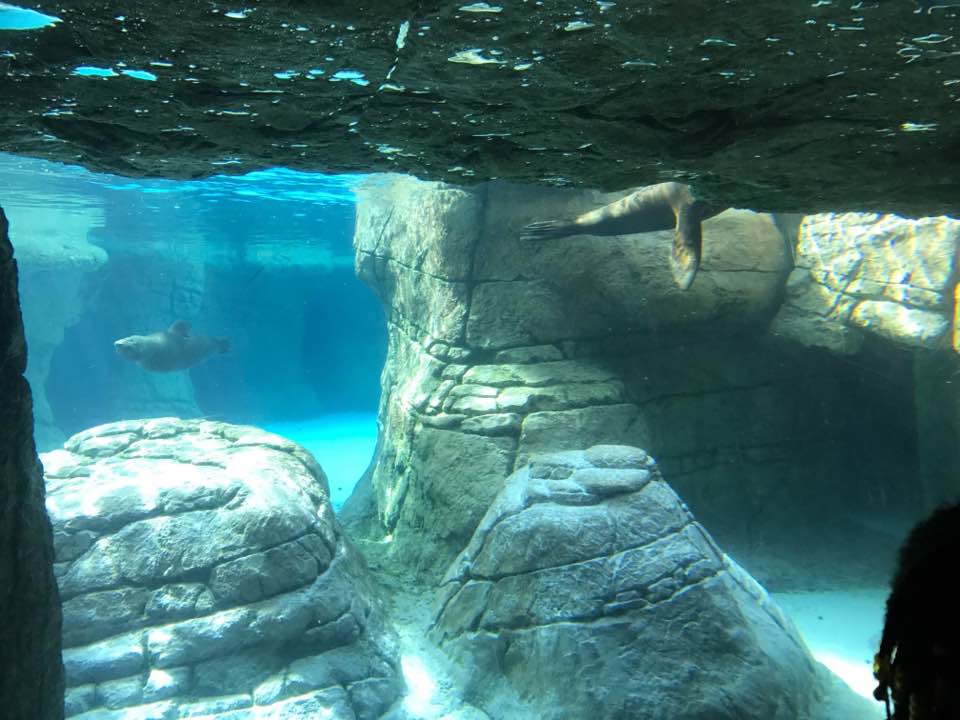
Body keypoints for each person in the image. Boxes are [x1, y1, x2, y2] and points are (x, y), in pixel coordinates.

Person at [874, 502, 960, 719]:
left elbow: (897, 607)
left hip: (916, 657)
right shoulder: (925, 563)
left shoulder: (921, 561)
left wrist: (884, 655)